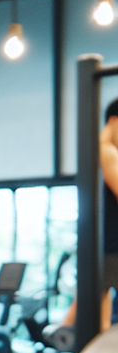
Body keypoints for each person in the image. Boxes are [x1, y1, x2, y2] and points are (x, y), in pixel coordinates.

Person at [60, 97, 118, 332]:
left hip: (106, 245)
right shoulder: (107, 150)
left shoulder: (97, 150)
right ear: (114, 121)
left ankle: (62, 335)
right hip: (112, 246)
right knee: (86, 307)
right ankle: (63, 334)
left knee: (93, 309)